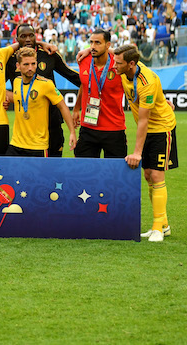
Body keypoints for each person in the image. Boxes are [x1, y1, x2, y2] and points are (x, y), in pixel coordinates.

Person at [113, 45, 178, 243]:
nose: (115, 66)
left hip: (161, 129)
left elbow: (143, 120)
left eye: (118, 63)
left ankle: (157, 228)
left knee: (157, 175)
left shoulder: (145, 80)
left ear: (131, 64)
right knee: (148, 175)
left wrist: (137, 153)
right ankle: (163, 224)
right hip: (149, 130)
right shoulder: (124, 70)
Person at [6, 24, 81, 157]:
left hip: (52, 120)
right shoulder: (11, 60)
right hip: (25, 127)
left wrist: (92, 89)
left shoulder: (49, 54)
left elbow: (72, 76)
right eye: (23, 36)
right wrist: (7, 98)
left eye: (31, 35)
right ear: (17, 39)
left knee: (53, 164)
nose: (28, 39)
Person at [74, 29, 127, 158]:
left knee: (115, 176)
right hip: (88, 128)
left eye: (98, 43)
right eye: (91, 42)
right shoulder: (83, 60)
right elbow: (84, 84)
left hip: (114, 129)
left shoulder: (119, 64)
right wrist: (76, 109)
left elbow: (137, 69)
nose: (92, 46)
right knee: (83, 174)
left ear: (108, 45)